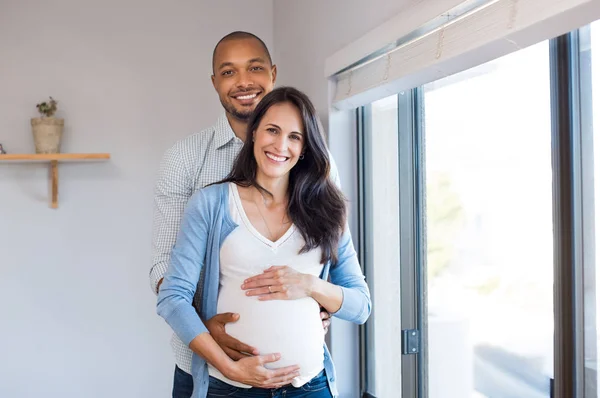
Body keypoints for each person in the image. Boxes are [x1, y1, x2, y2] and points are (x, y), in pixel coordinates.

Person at [150, 31, 338, 397]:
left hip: (302, 378)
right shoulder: (185, 160)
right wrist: (205, 328)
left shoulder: (315, 162)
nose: (243, 82)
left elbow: (332, 262)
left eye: (254, 68)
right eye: (228, 72)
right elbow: (163, 268)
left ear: (272, 73)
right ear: (215, 82)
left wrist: (321, 298)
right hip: (205, 370)